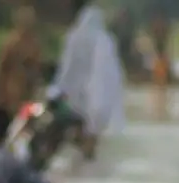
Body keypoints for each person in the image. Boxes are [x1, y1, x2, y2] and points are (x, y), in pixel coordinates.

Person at [49, 0, 126, 160]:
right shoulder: (104, 39)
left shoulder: (74, 37)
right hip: (94, 102)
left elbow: (66, 70)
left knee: (76, 138)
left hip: (77, 99)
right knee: (89, 139)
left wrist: (58, 90)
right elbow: (111, 76)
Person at [0, 5, 43, 116]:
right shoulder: (12, 42)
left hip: (28, 90)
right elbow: (3, 67)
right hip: (13, 88)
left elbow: (37, 67)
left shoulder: (34, 43)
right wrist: (1, 92)